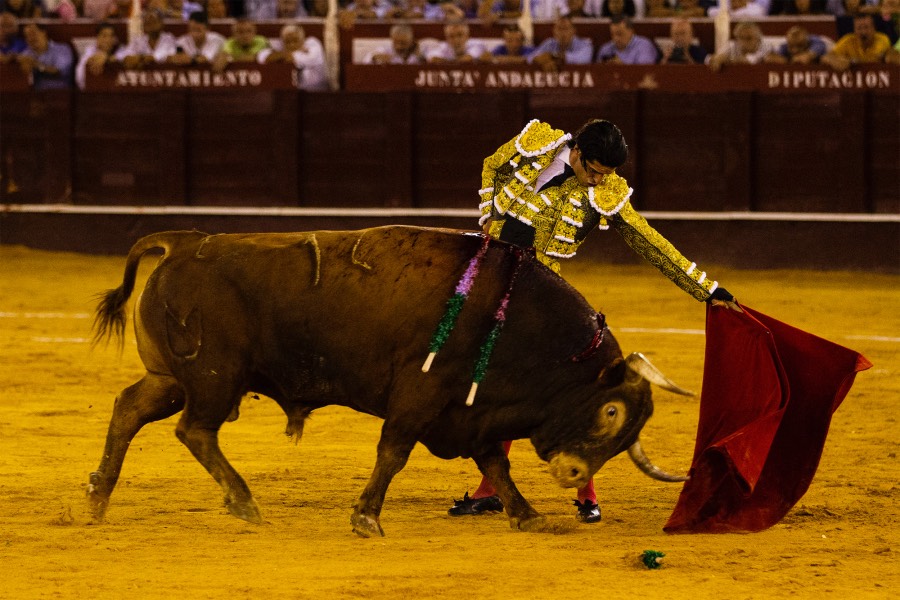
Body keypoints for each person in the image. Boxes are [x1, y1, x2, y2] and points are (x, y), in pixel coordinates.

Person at [451, 118, 736, 522]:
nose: (599, 180)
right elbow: (492, 164)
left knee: (566, 389)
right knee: (494, 386)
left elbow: (649, 241)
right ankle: (489, 490)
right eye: (595, 170)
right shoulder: (537, 145)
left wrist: (705, 289)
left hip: (543, 295)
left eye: (607, 174)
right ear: (579, 153)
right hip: (491, 280)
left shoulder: (606, 193)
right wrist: (486, 211)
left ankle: (586, 493)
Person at [258, 23, 328, 90]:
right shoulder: (280, 46)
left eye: (295, 40)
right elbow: (261, 57)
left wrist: (281, 56)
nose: (292, 44)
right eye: (288, 42)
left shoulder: (313, 43)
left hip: (317, 90)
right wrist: (286, 54)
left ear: (303, 39)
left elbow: (310, 59)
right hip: (290, 91)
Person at [822, 12, 892, 69]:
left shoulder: (882, 40)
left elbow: (890, 56)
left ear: (873, 29)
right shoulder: (848, 40)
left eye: (866, 27)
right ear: (854, 30)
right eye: (859, 28)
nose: (863, 32)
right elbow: (826, 57)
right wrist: (835, 61)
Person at [18, 22, 74, 90]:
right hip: (35, 96)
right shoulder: (26, 53)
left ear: (43, 33)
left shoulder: (62, 49)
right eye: (27, 36)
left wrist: (37, 66)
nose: (31, 38)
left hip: (60, 93)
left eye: (33, 34)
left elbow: (59, 72)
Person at [527, 16, 593, 72]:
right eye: (559, 29)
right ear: (554, 31)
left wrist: (553, 57)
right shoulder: (549, 43)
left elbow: (583, 60)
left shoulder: (585, 44)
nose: (562, 33)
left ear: (573, 31)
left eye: (565, 29)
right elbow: (529, 58)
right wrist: (541, 61)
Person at [707, 21, 773, 71]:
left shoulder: (766, 46)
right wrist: (717, 59)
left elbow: (747, 61)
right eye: (741, 38)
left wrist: (726, 59)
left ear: (758, 39)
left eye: (749, 38)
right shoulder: (732, 45)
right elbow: (713, 59)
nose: (744, 42)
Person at [75, 21, 123, 89]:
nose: (108, 40)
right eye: (104, 36)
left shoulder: (121, 50)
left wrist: (108, 58)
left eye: (112, 36)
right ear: (97, 38)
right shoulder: (89, 52)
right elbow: (79, 78)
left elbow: (125, 57)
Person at [596, 16, 660, 64]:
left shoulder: (644, 46)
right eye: (612, 34)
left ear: (631, 31)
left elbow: (644, 72)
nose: (615, 38)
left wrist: (623, 67)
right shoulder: (605, 49)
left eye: (619, 34)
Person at [764, 25, 828, 64]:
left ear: (807, 42)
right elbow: (772, 57)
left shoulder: (817, 42)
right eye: (791, 46)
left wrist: (808, 55)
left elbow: (806, 57)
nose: (795, 50)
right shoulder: (784, 46)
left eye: (799, 46)